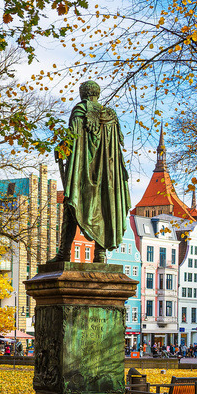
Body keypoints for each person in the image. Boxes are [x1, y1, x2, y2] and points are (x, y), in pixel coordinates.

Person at [51, 80, 131, 262]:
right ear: (97, 94)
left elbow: (74, 138)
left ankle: (64, 253)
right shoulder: (111, 116)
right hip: (108, 176)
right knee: (105, 209)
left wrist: (61, 148)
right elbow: (115, 150)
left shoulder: (80, 111)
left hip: (84, 173)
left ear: (82, 94)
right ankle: (100, 255)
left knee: (71, 206)